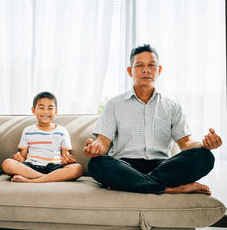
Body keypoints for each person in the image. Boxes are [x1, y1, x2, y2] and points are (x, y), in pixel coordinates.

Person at [84, 44, 222, 195]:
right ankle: (170, 188)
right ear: (130, 71)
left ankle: (132, 183)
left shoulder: (172, 106)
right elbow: (103, 142)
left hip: (163, 167)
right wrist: (96, 147)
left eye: (151, 65)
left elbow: (186, 143)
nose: (146, 69)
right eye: (139, 65)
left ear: (159, 70)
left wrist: (205, 145)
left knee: (205, 157)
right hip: (124, 165)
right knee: (97, 163)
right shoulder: (114, 104)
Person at [2, 91, 83, 183]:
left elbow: (65, 155)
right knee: (7, 163)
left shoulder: (62, 131)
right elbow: (23, 156)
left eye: (50, 108)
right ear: (33, 110)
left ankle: (32, 181)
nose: (45, 111)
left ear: (56, 111)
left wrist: (67, 161)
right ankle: (46, 178)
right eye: (41, 108)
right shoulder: (27, 131)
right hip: (31, 167)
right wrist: (19, 159)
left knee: (77, 168)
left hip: (54, 167)